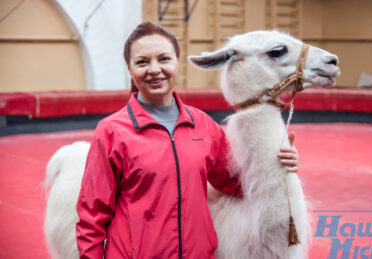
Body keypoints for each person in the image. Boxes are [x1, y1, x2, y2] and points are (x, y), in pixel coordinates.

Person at [76, 21, 299, 259]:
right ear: (130, 69)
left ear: (176, 63)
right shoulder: (111, 132)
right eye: (142, 62)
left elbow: (235, 184)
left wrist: (276, 163)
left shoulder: (203, 125)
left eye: (164, 59)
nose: (154, 69)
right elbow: (92, 216)